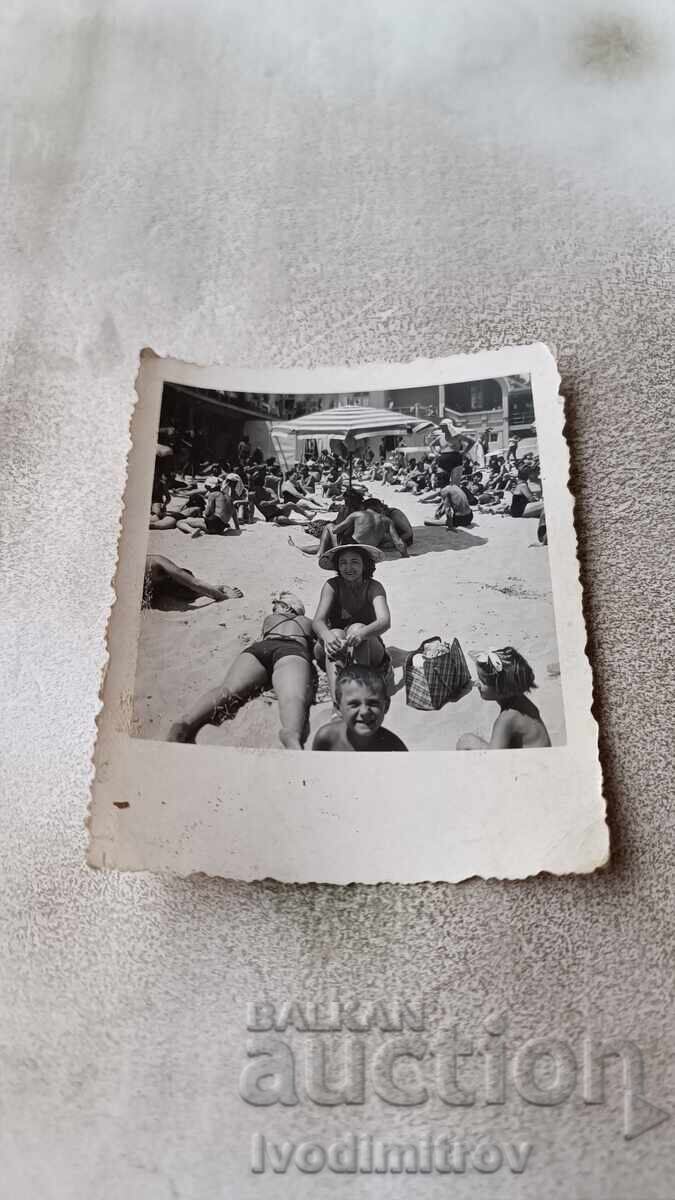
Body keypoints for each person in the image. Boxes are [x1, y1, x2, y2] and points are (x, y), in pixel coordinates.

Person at [167, 593, 315, 749]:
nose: (273, 610)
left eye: (275, 606)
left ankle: (186, 721)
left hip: (260, 649)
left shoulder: (269, 620)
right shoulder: (307, 622)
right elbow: (317, 649)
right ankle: (291, 734)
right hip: (292, 650)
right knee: (292, 697)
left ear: (286, 606)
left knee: (228, 689)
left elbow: (261, 638)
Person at [312, 544, 392, 701]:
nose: (348, 567)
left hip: (366, 648)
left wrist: (362, 633)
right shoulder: (332, 586)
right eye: (343, 562)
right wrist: (327, 636)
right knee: (335, 632)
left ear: (365, 564)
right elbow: (318, 621)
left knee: (357, 628)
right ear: (337, 566)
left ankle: (358, 691)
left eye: (355, 562)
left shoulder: (373, 587)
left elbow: (385, 621)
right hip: (332, 648)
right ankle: (338, 702)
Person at [456, 647, 551, 750]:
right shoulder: (518, 698)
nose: (477, 683)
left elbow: (495, 757)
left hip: (531, 762)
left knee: (466, 741)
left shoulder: (507, 719)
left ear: (503, 690)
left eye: (483, 681)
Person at [312, 664, 407, 751]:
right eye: (354, 704)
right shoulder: (326, 739)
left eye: (373, 703)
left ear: (386, 706)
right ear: (338, 709)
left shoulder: (394, 747)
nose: (365, 711)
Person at [143, 555, 243, 607]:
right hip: (161, 584)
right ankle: (217, 589)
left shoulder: (155, 561)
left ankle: (220, 588)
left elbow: (195, 583)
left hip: (169, 581)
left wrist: (223, 597)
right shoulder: (153, 561)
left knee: (192, 591)